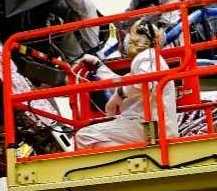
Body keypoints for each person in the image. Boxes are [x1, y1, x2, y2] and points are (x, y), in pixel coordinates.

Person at [73, 19, 179, 150]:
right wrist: (97, 64)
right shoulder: (148, 58)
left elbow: (145, 80)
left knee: (84, 137)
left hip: (149, 126)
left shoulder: (147, 57)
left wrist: (119, 95)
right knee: (87, 136)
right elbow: (122, 82)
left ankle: (134, 159)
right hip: (146, 124)